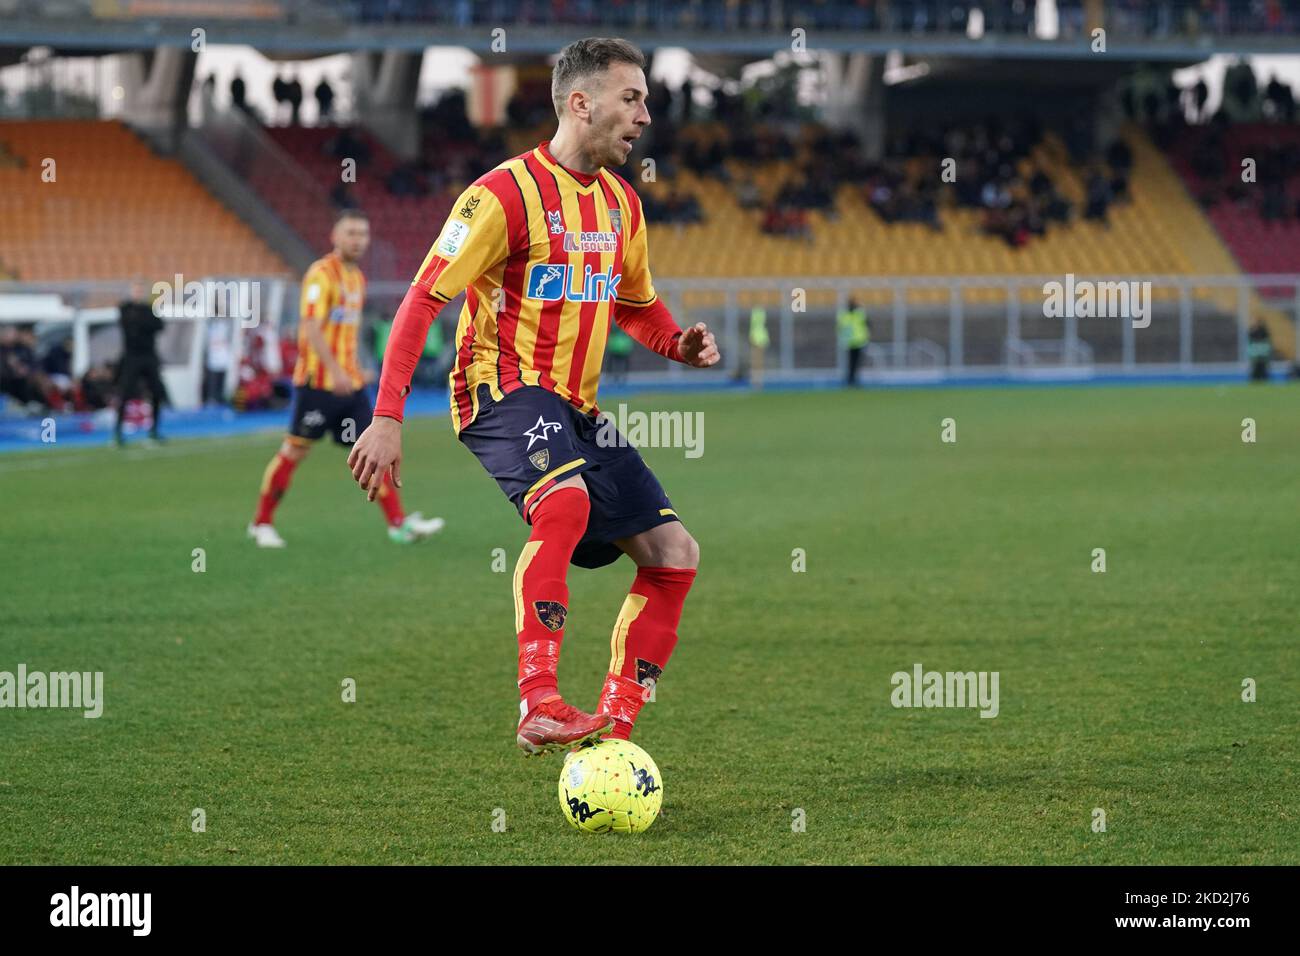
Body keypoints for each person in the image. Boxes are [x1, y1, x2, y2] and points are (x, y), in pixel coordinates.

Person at [346, 37, 721, 756]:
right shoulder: (502, 195)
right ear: (581, 103)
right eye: (632, 98)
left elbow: (634, 304)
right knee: (567, 501)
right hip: (500, 386)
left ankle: (613, 730)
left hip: (577, 411)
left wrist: (678, 344)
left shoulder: (621, 206)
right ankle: (538, 700)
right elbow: (423, 300)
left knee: (675, 551)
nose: (645, 114)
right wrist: (387, 416)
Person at [248, 210, 445, 548]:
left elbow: (346, 333)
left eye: (362, 234)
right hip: (317, 385)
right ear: (335, 237)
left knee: (374, 448)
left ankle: (397, 524)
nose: (357, 240)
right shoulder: (320, 275)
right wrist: (335, 371)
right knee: (295, 451)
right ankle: (261, 523)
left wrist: (353, 368)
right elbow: (310, 327)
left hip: (350, 386)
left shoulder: (357, 280)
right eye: (351, 233)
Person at [114, 282, 169, 446]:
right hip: (132, 357)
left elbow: (159, 325)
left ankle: (154, 430)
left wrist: (141, 322)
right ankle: (118, 432)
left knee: (157, 392)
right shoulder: (126, 309)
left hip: (148, 356)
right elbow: (130, 324)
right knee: (125, 393)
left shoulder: (148, 309)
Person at [839, 298, 869, 386]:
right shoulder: (859, 314)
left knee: (852, 362)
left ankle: (851, 380)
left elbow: (840, 328)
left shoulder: (844, 315)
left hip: (852, 342)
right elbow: (868, 324)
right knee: (854, 363)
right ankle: (852, 380)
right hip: (857, 341)